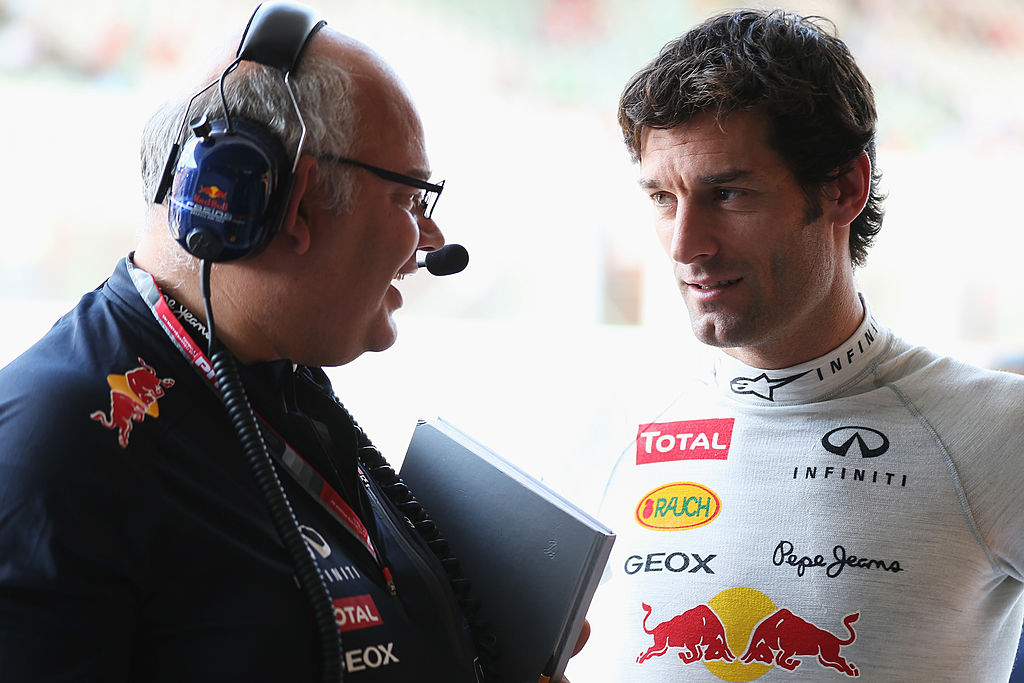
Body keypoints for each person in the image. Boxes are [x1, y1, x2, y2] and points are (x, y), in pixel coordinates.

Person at [0, 3, 586, 681]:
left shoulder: (281, 383)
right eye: (409, 199)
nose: (431, 241)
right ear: (292, 201)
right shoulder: (58, 445)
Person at [580, 8, 1024, 682]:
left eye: (728, 194)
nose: (685, 245)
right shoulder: (608, 424)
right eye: (663, 198)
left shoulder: (996, 429)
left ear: (844, 189)